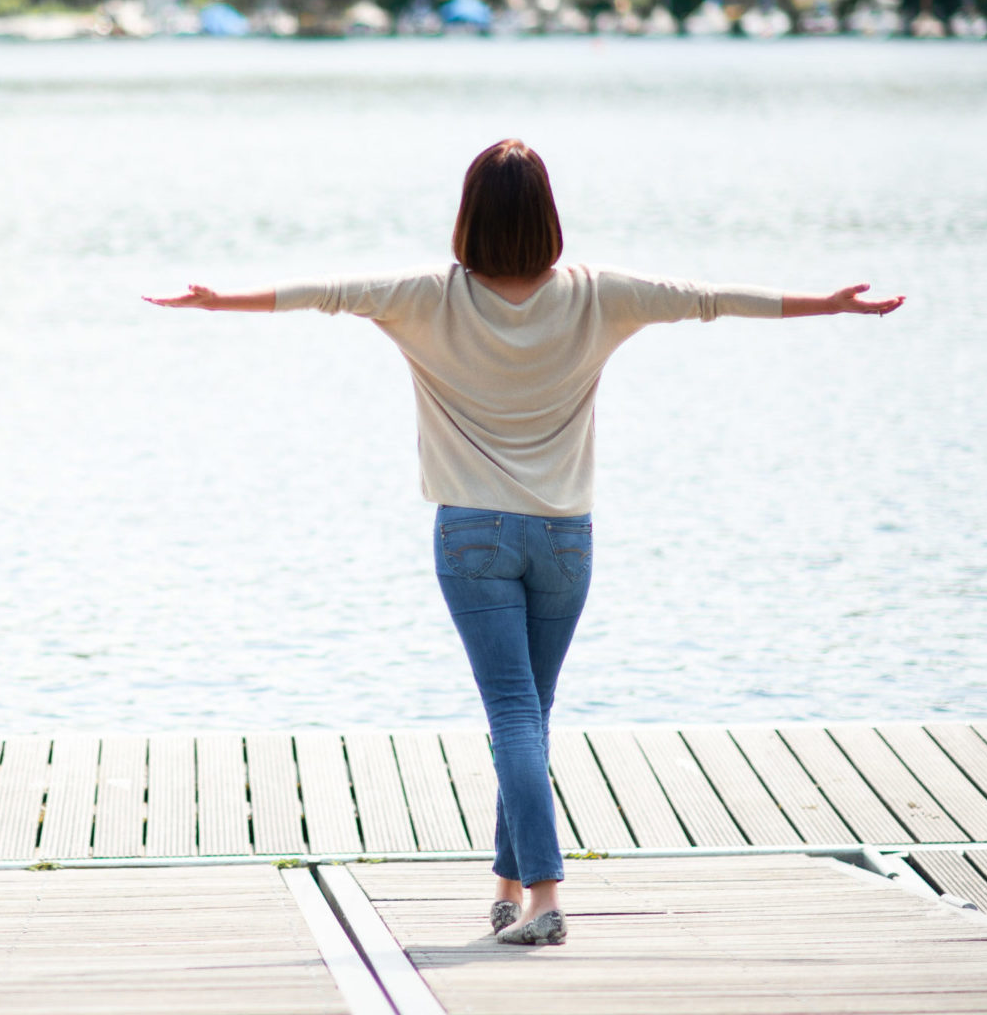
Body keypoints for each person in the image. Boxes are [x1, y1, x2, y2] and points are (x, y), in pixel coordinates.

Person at [146, 138, 903, 946]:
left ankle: (545, 898)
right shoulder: (598, 294)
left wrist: (220, 300)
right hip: (566, 540)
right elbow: (711, 299)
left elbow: (323, 292)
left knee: (513, 715)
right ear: (549, 215)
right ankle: (507, 887)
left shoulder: (425, 297)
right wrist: (829, 304)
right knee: (530, 715)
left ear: (467, 216)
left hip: (473, 534)